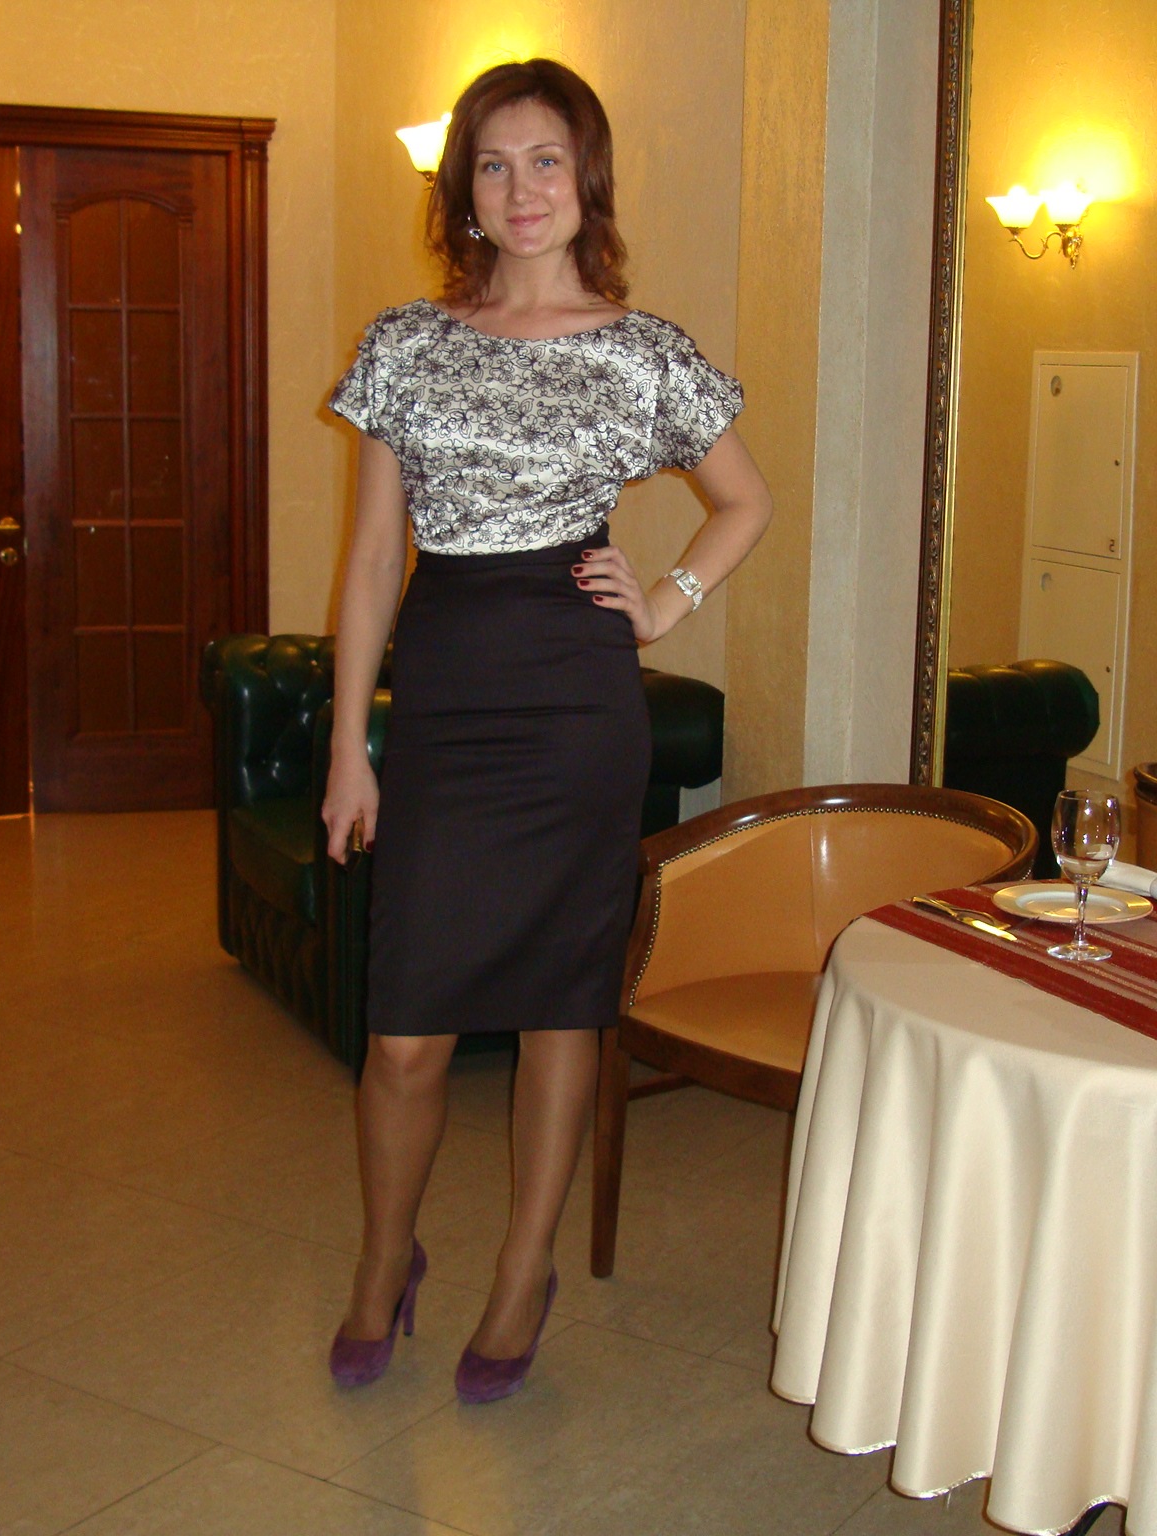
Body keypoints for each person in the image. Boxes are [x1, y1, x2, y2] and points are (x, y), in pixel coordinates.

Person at [319, 58, 773, 1403]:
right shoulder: (407, 344)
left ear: (587, 181)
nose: (521, 189)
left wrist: (667, 601)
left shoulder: (642, 351)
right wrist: (349, 749)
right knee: (404, 1029)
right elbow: (369, 561)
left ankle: (524, 1272)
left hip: (576, 704)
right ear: (463, 188)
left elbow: (745, 500)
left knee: (560, 1009)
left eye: (546, 161)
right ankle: (385, 1257)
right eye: (494, 163)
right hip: (446, 694)